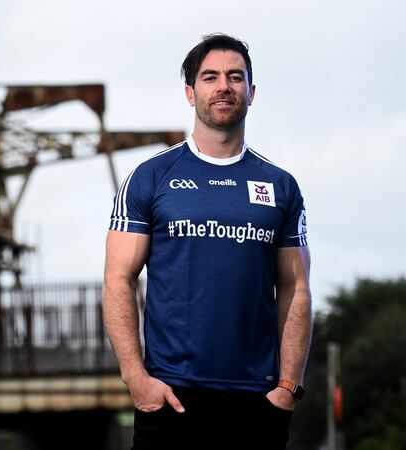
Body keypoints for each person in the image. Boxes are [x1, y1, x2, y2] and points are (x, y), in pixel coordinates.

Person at [102, 33, 312, 450]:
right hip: (171, 398)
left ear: (251, 93)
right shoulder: (150, 177)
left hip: (257, 401)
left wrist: (288, 387)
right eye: (210, 77)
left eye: (236, 77)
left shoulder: (281, 185)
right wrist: (135, 379)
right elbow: (117, 280)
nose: (224, 87)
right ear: (189, 91)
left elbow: (295, 288)